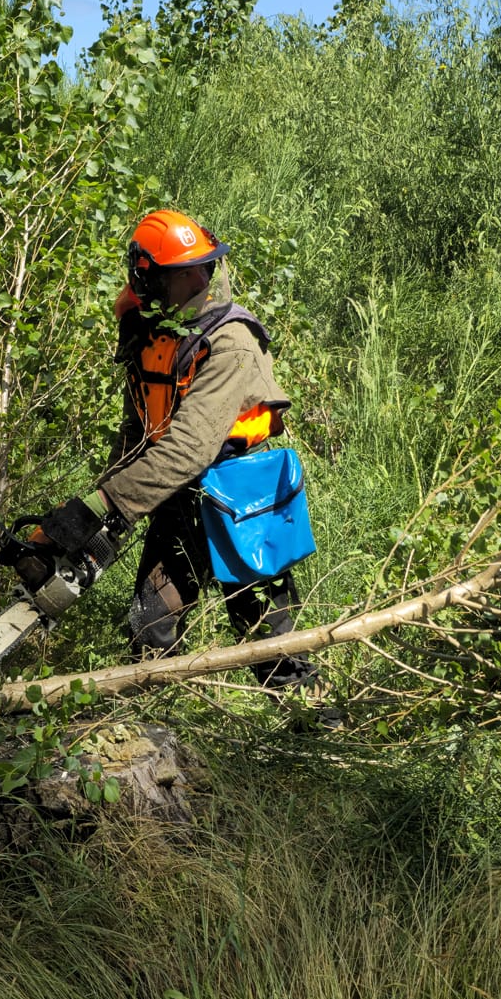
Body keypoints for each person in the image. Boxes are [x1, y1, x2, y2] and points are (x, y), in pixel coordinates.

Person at [34, 209, 316, 689]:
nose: (197, 278)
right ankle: (152, 736)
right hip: (177, 497)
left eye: (199, 270)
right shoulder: (153, 337)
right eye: (183, 272)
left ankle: (319, 726)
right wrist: (85, 517)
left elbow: (188, 448)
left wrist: (104, 505)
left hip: (239, 499)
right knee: (150, 626)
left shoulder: (231, 342)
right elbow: (138, 434)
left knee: (271, 646)